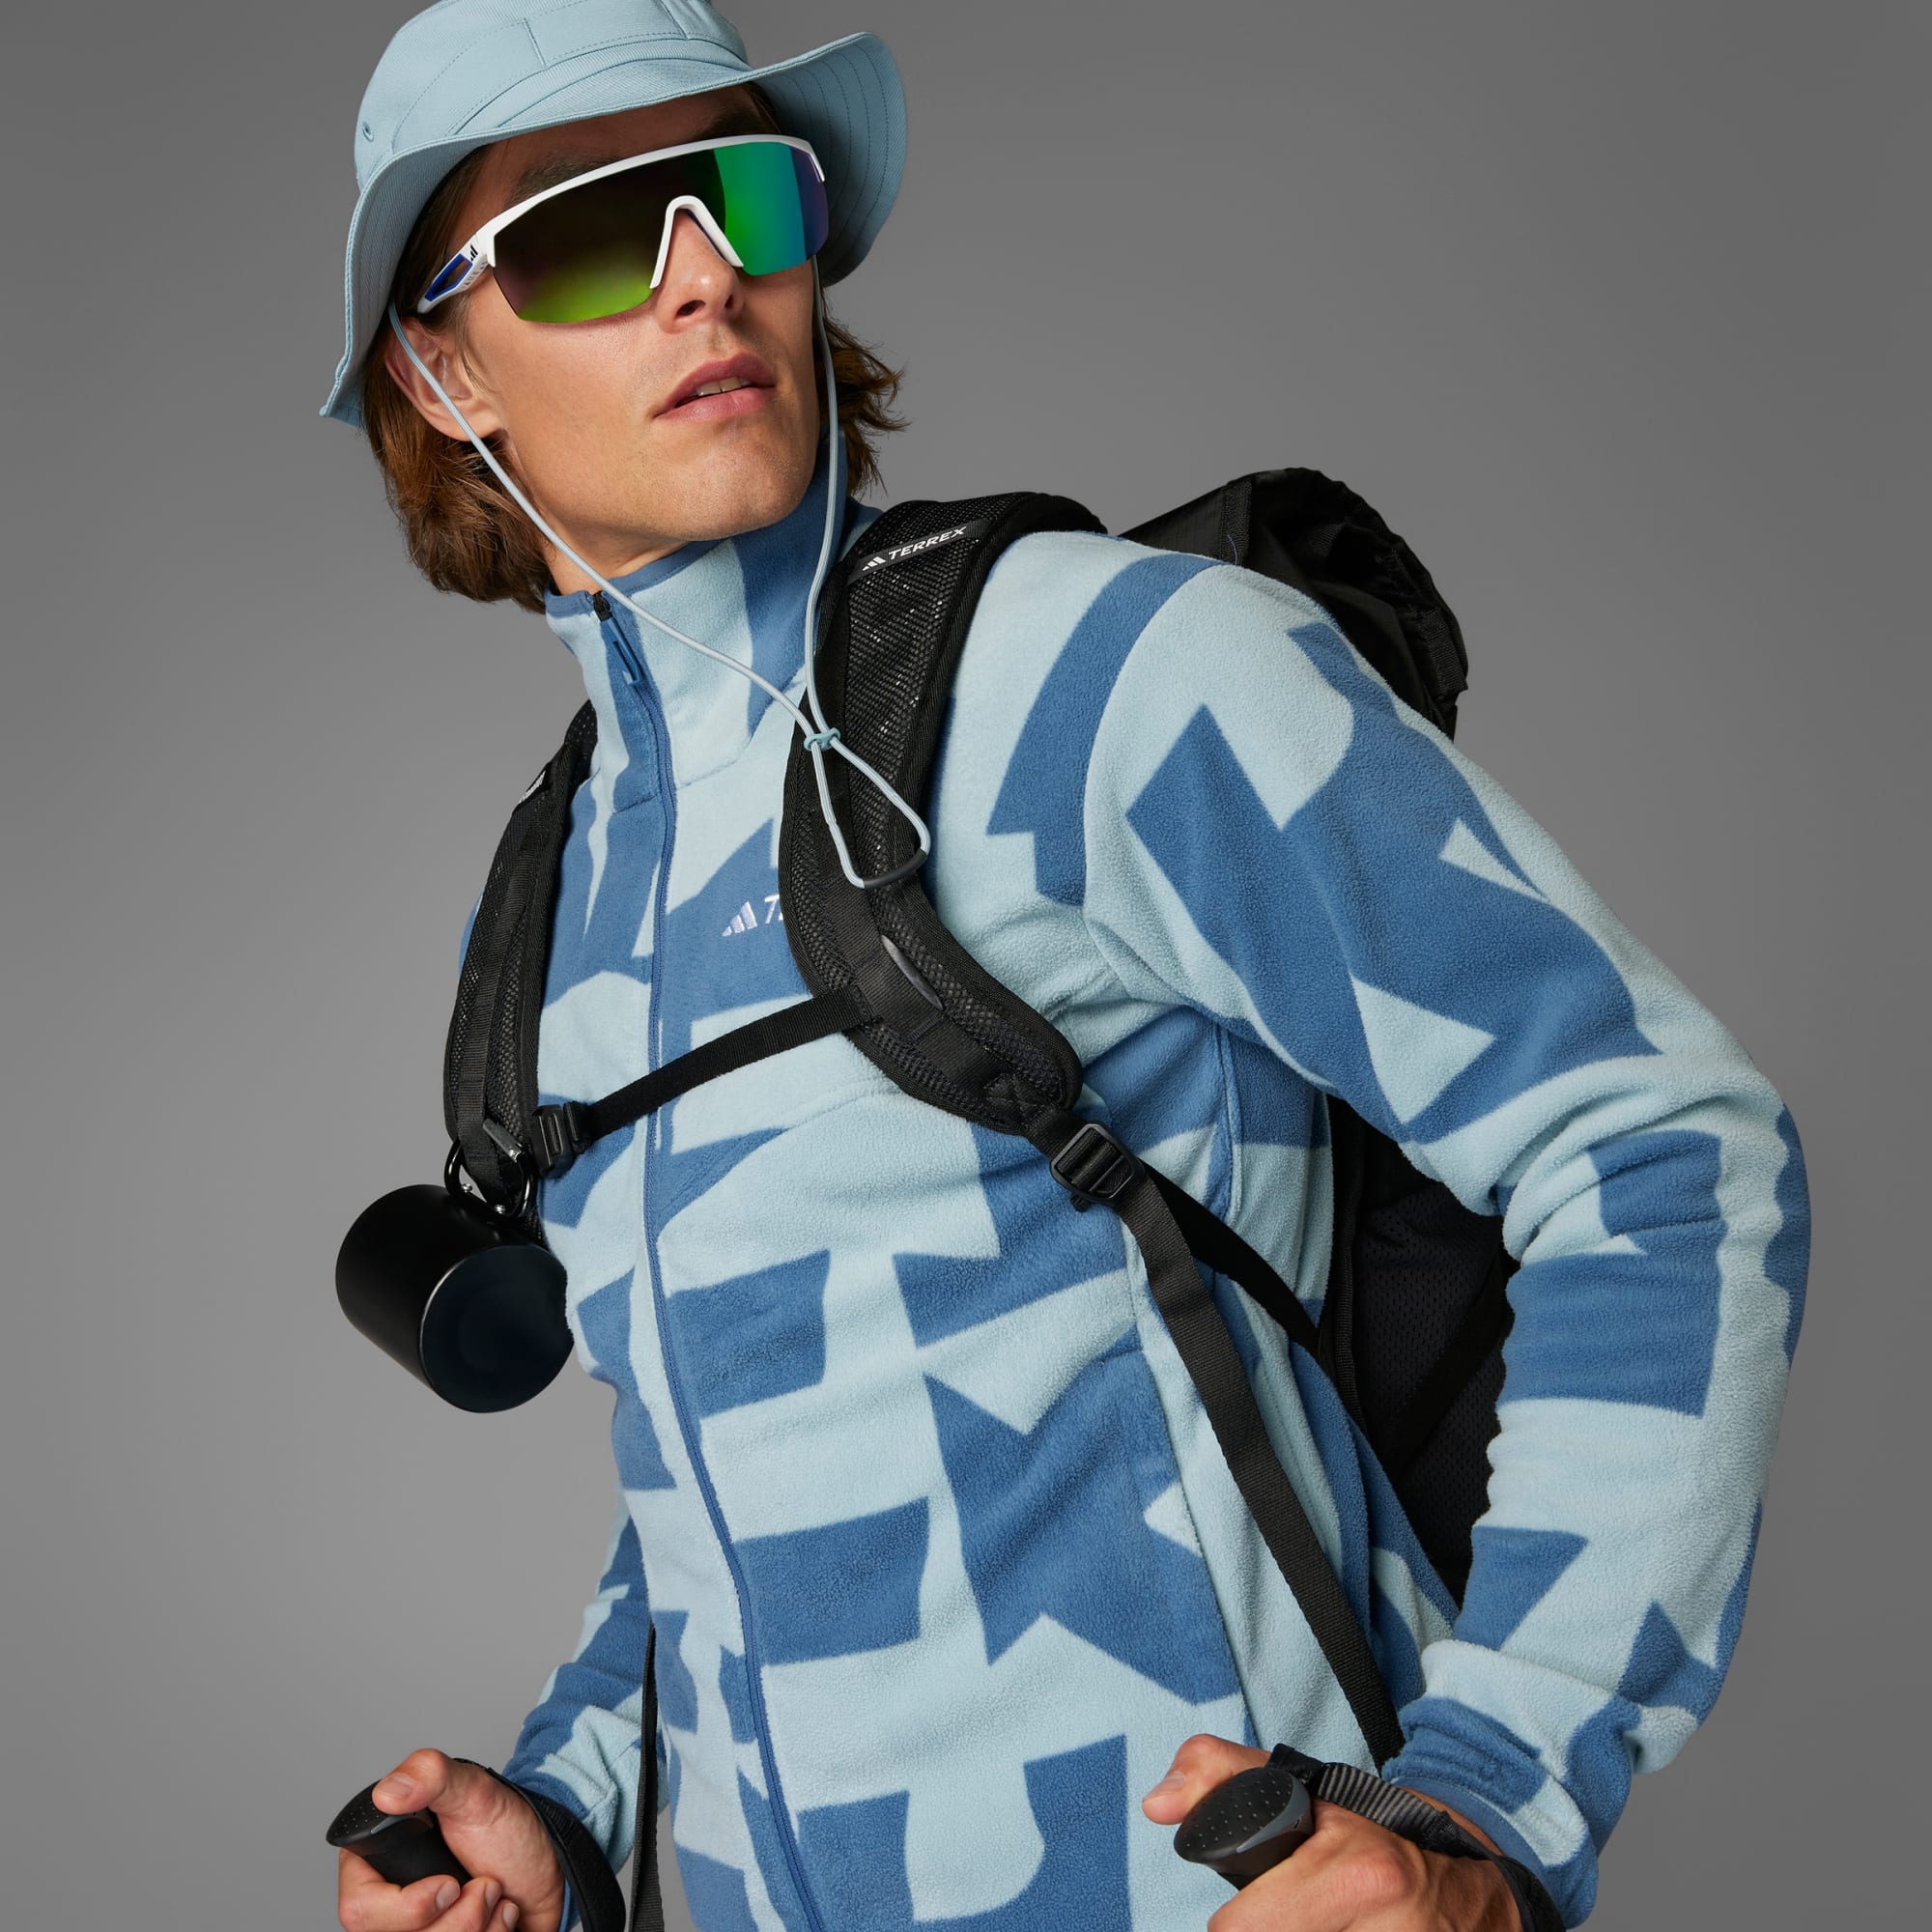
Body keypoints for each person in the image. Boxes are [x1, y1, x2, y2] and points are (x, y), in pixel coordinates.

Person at [324, 6, 1810, 1930]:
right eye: (596, 234)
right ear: (444, 369)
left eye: (742, 197)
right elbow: (746, 1444)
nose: (701, 276)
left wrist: (1480, 1806)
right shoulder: (548, 903)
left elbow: (1659, 1150)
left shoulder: (1111, 674)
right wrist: (574, 1802)